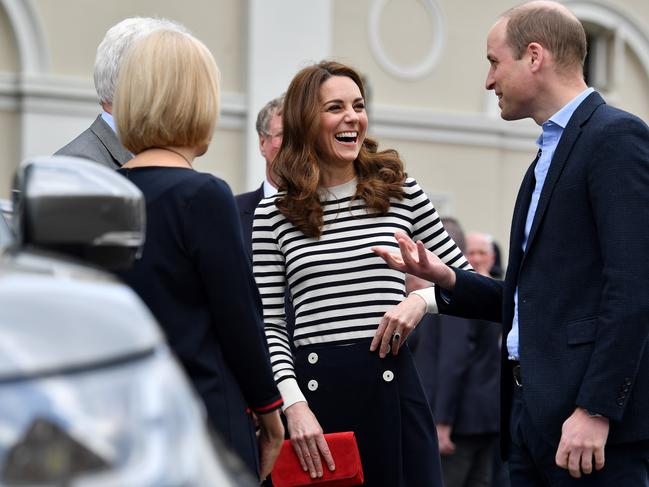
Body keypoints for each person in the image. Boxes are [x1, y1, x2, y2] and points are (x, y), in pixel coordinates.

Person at [374, 1, 649, 485]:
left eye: (493, 62)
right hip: (530, 425)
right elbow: (531, 301)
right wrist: (446, 280)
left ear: (535, 57)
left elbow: (633, 288)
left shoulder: (615, 138)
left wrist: (596, 409)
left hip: (586, 431)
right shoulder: (545, 155)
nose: (488, 80)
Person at [252, 60, 472, 487]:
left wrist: (419, 301)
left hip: (393, 390)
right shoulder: (273, 214)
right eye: (335, 107)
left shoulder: (402, 192)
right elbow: (270, 324)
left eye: (358, 105)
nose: (352, 116)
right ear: (305, 120)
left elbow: (466, 285)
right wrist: (293, 406)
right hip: (315, 405)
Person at [112, 29, 284, 481]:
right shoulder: (203, 194)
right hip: (202, 422)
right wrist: (270, 414)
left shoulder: (104, 192)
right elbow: (239, 319)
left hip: (122, 421)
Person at [410, 224, 502, 487]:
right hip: (485, 415)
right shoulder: (482, 289)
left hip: (459, 421)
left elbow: (453, 360)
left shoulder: (456, 294)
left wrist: (443, 421)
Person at [56, 17, 185, 168]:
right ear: (137, 82)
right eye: (176, 77)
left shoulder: (155, 156)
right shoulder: (77, 167)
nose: (184, 94)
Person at [236, 94, 284, 252]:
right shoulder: (233, 211)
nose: (291, 143)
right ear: (263, 143)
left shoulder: (327, 209)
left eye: (298, 135)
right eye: (282, 134)